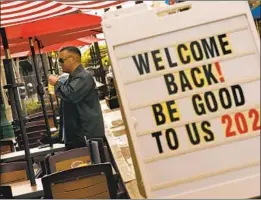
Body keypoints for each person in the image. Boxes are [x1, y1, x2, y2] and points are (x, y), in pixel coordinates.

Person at [48, 46, 105, 150]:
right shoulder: (72, 78)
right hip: (78, 135)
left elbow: (70, 95)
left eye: (61, 60)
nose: (60, 64)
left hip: (86, 135)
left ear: (72, 59)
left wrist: (56, 83)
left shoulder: (83, 77)